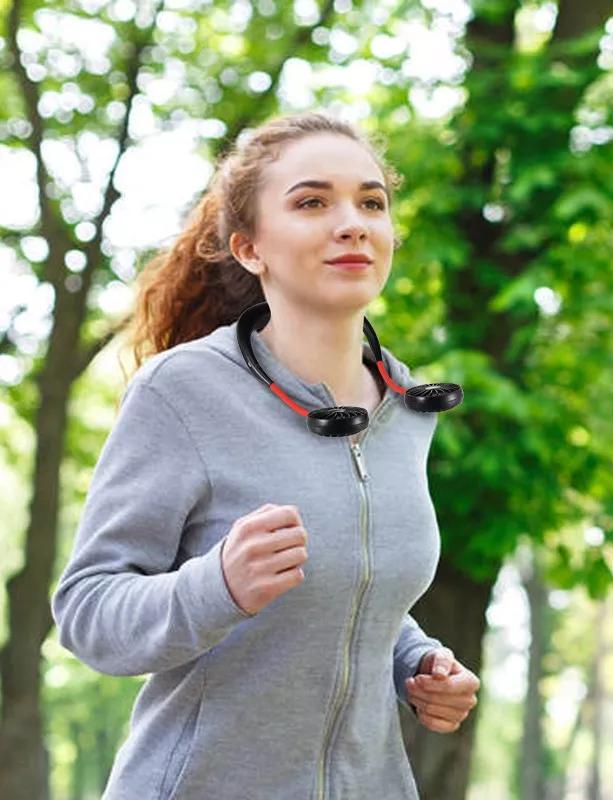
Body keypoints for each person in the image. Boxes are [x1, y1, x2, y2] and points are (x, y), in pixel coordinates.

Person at [51, 110, 480, 800]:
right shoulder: (183, 392)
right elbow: (87, 611)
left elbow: (352, 590)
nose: (353, 222)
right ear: (250, 248)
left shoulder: (406, 408)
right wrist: (216, 586)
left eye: (371, 202)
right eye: (312, 202)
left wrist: (414, 660)